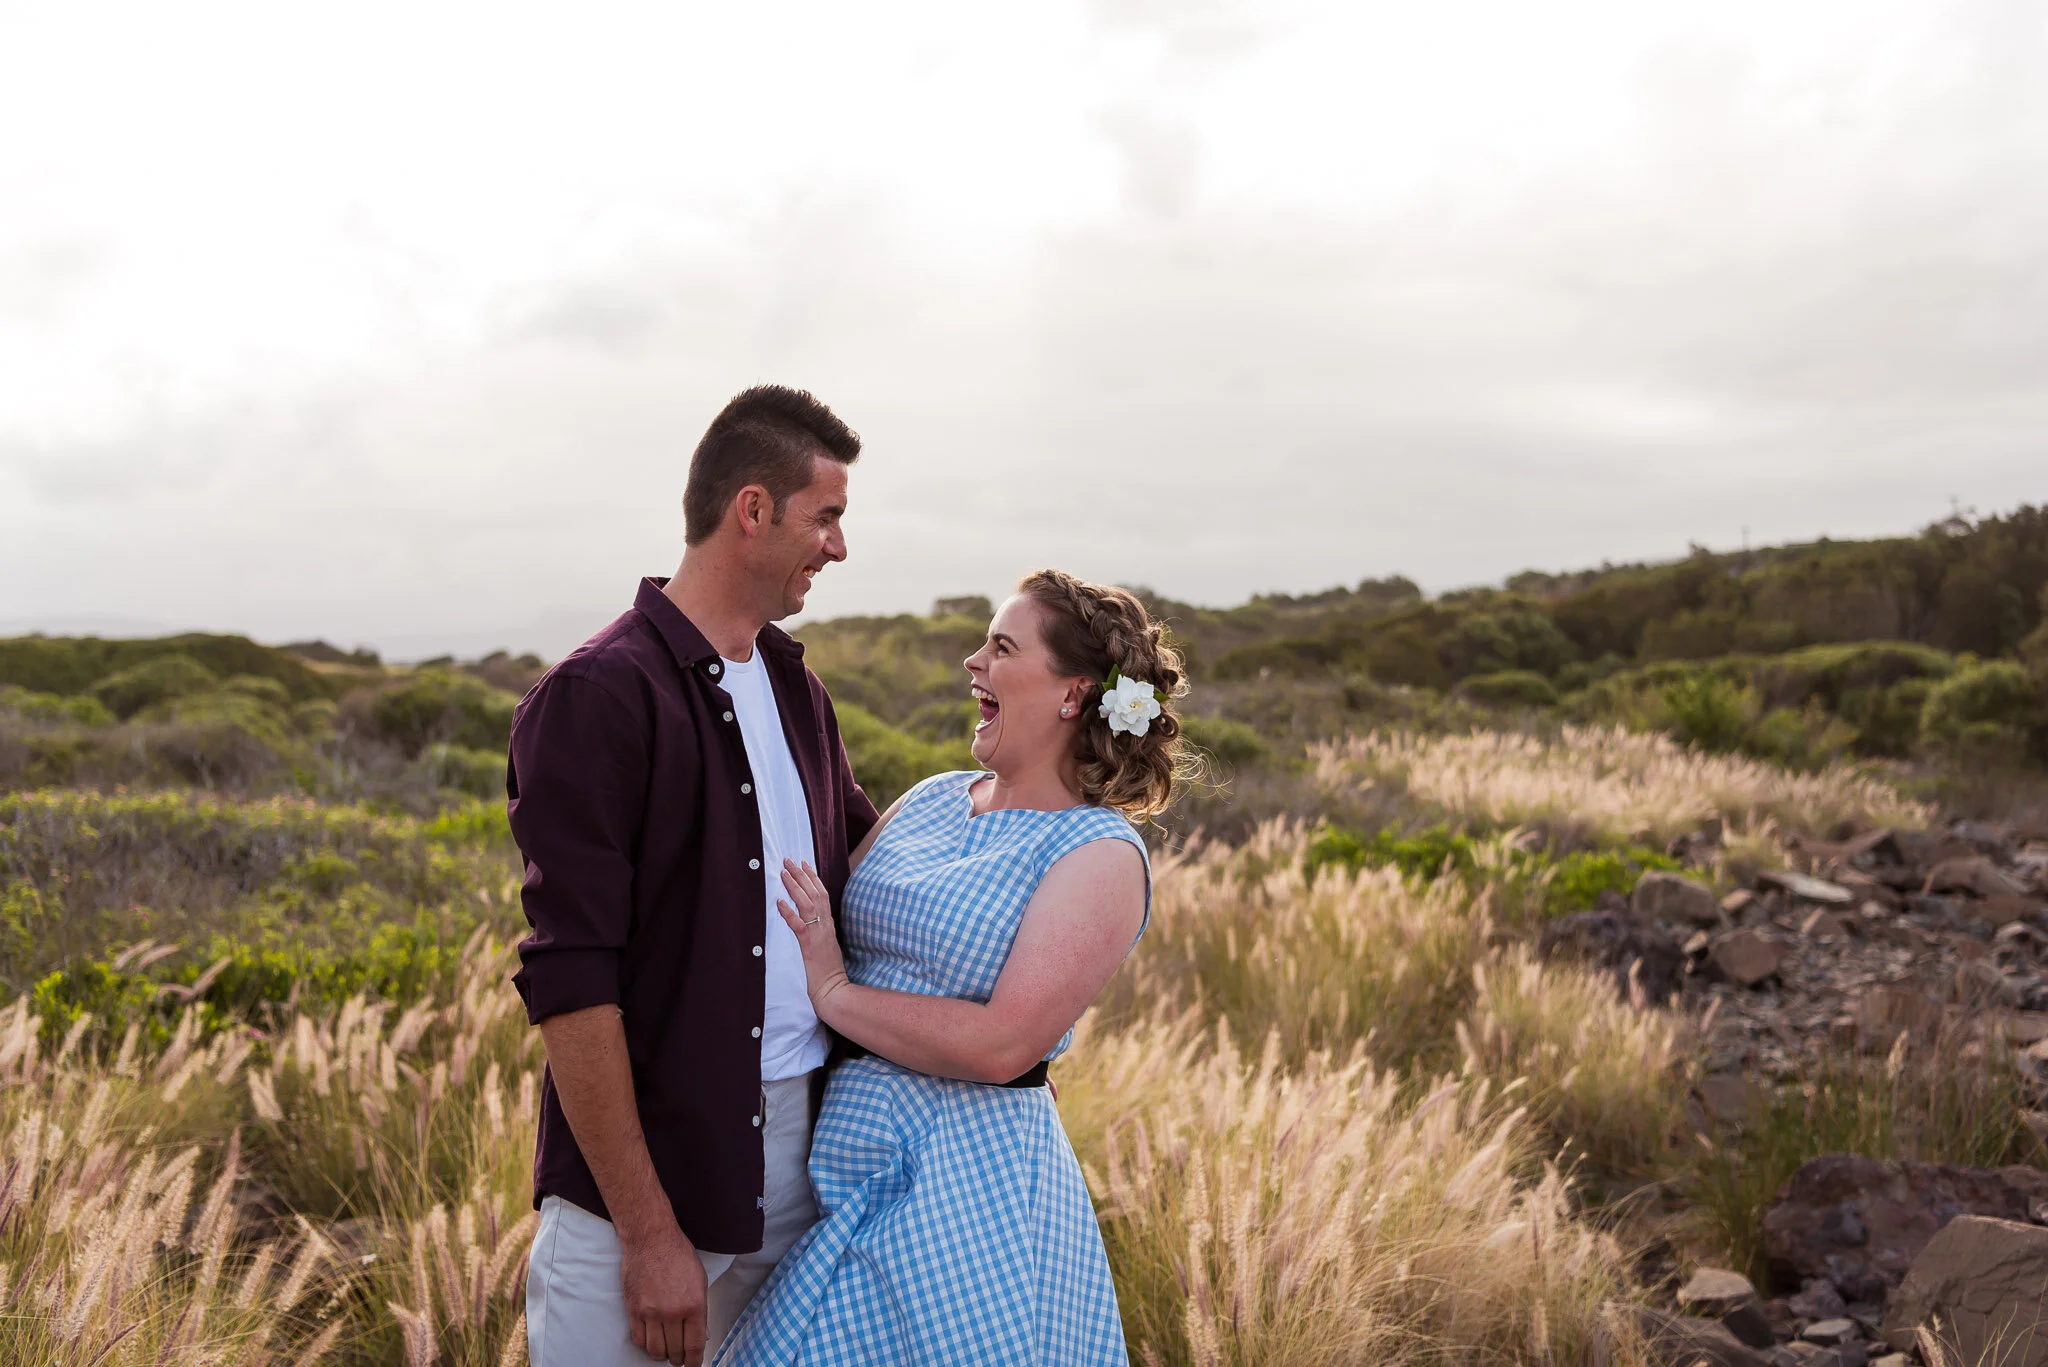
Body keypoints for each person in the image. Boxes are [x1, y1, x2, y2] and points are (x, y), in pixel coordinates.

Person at [715, 569, 1192, 1367]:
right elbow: (810, 913)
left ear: (1073, 693)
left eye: (1002, 647)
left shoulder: (1099, 853)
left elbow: (1003, 1043)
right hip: (839, 1167)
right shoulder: (934, 797)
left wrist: (835, 993)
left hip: (965, 1192)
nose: (974, 662)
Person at [510, 385, 876, 1367]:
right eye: (826, 516)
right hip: (643, 1191)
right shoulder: (597, 696)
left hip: (804, 1173)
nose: (839, 546)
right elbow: (572, 982)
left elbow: (870, 871)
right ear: (751, 509)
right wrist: (647, 1230)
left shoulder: (797, 689)